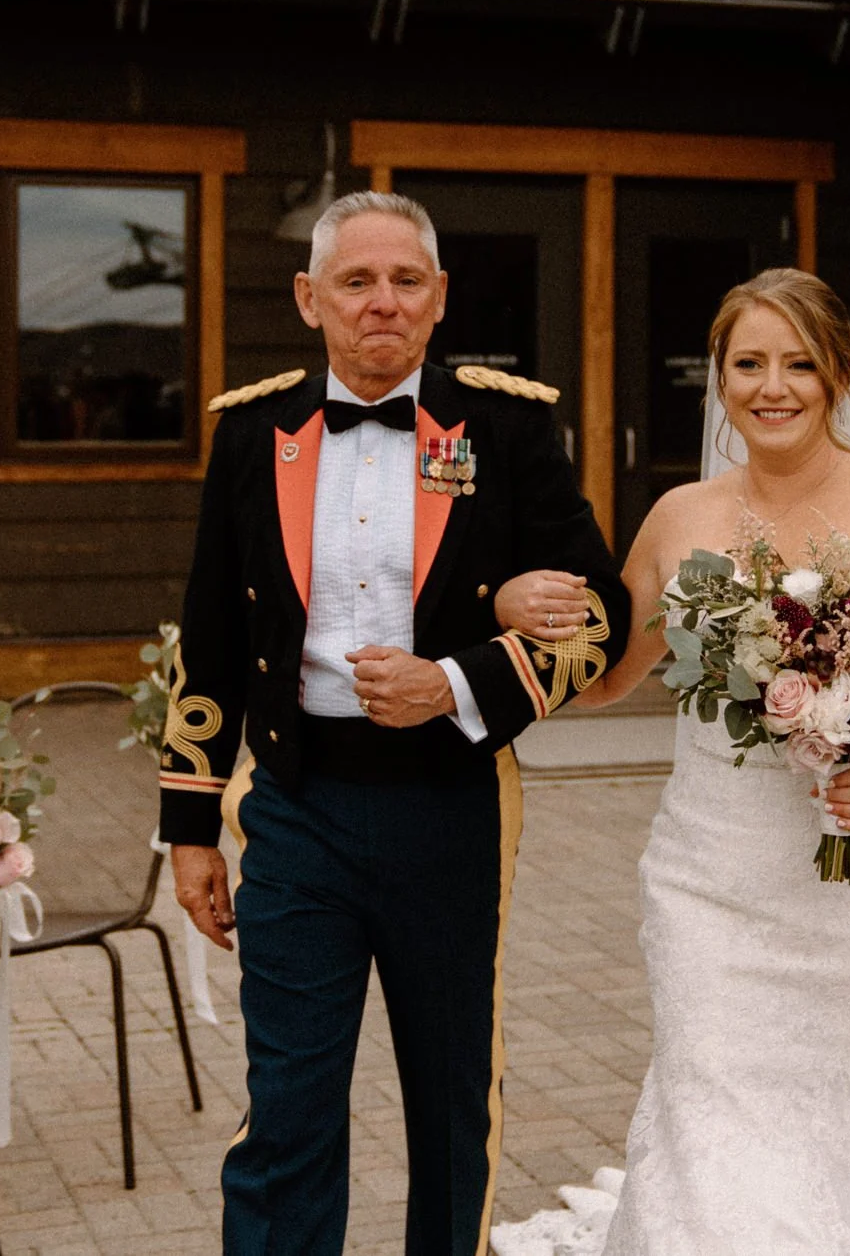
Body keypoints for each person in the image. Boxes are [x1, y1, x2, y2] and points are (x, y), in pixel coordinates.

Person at [495, 268, 850, 1255]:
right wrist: (508, 608)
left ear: (837, 372)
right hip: (714, 881)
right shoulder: (679, 515)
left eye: (798, 363)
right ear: (718, 377)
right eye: (748, 363)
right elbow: (609, 677)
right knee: (719, 1108)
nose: (772, 386)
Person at [158, 190, 629, 1256]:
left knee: (452, 1097)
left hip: (450, 804)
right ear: (309, 297)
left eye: (406, 280)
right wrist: (189, 824)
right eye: (357, 280)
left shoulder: (506, 425)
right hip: (295, 806)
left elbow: (602, 612)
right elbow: (210, 632)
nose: (383, 301)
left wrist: (456, 681)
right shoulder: (253, 431)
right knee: (288, 1102)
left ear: (439, 296)